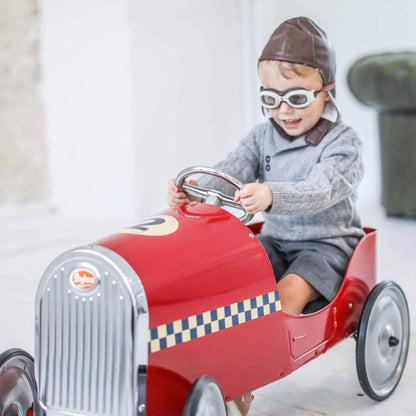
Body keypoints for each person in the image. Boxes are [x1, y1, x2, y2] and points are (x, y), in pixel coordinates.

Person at [167, 16, 364, 416]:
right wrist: (194, 186)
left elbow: (323, 189)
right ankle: (224, 365)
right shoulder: (262, 136)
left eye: (296, 99)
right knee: (232, 286)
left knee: (285, 295)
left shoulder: (344, 143)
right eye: (271, 99)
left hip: (326, 245)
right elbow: (232, 169)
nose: (283, 112)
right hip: (276, 238)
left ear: (327, 92)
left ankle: (249, 376)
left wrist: (272, 194)